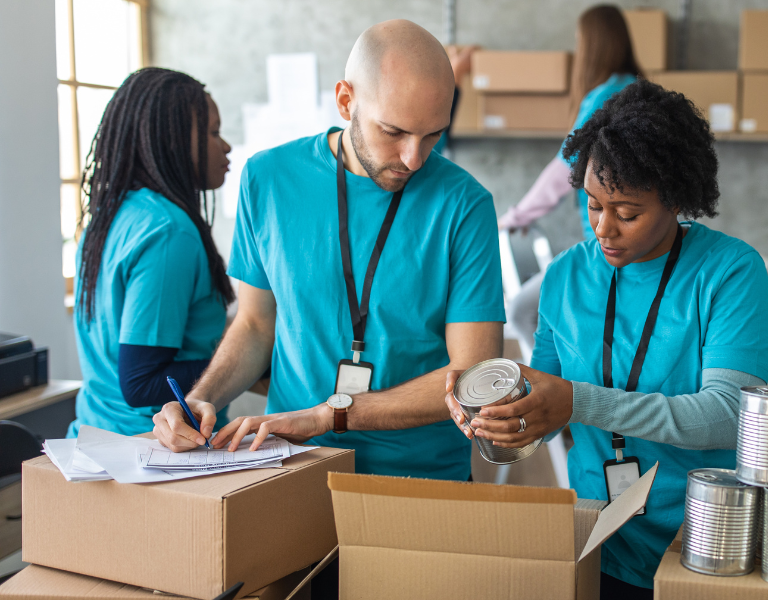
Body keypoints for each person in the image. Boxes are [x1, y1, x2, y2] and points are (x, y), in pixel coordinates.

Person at [445, 80, 768, 599]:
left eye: (627, 213)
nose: (603, 228)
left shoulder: (729, 272)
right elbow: (546, 405)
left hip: (701, 543)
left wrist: (578, 401)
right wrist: (502, 416)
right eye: (592, 204)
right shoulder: (565, 277)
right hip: (598, 538)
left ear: (676, 199)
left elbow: (729, 414)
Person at [151, 20, 506, 482]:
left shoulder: (466, 204)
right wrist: (203, 397)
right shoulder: (267, 179)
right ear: (345, 101)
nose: (414, 158)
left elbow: (473, 373)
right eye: (393, 132)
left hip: (420, 477)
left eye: (433, 135)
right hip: (289, 467)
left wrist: (330, 415)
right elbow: (256, 324)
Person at [69, 68, 234, 437]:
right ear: (173, 140)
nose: (225, 146)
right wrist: (247, 361)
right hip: (147, 447)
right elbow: (141, 383)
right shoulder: (169, 232)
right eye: (213, 132)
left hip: (93, 436)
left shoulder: (112, 215)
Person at [498, 4, 643, 353]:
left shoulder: (605, 96)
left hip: (609, 248)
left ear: (594, 45)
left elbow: (564, 168)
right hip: (630, 244)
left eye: (580, 41)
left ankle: (543, 385)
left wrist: (516, 216)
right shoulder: (638, 89)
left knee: (522, 311)